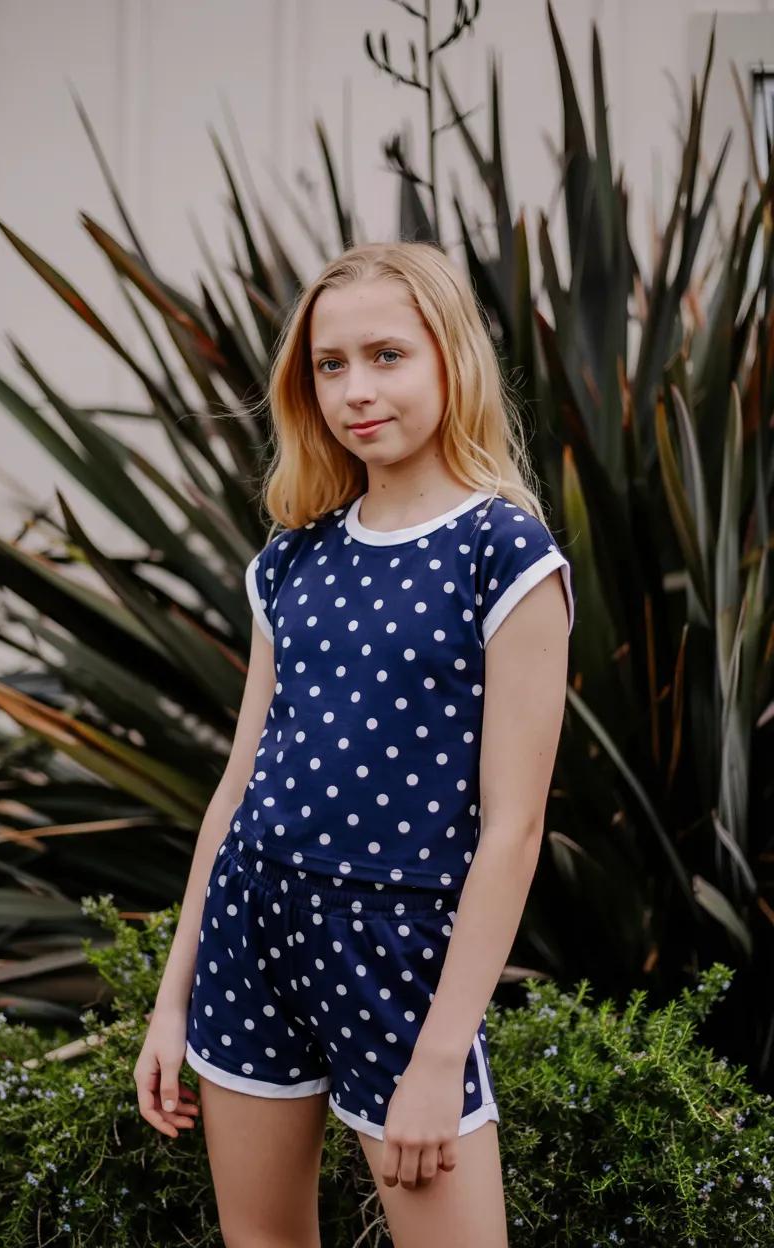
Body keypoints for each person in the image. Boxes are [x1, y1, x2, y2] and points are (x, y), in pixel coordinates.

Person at [133, 240, 575, 1247]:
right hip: (252, 935)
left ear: (449, 362)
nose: (354, 390)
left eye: (386, 356)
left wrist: (437, 1054)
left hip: (401, 960)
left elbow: (511, 831)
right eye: (330, 365)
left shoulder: (501, 553)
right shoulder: (290, 561)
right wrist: (173, 1002)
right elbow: (237, 787)